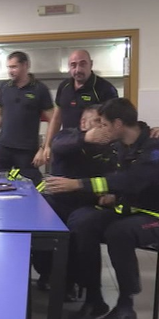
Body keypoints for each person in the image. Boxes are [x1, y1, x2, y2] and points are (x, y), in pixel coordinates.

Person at [46, 99, 159, 319]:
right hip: (128, 211)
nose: (100, 129)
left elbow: (133, 181)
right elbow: (115, 179)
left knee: (119, 233)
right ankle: (93, 298)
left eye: (104, 124)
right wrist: (109, 195)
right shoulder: (120, 146)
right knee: (82, 220)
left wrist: (78, 184)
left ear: (118, 124)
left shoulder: (158, 148)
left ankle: (126, 306)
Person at [35, 103, 115, 300]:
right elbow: (58, 145)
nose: (102, 128)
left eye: (104, 124)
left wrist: (112, 194)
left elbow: (115, 178)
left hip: (87, 205)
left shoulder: (109, 148)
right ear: (83, 123)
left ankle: (79, 286)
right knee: (39, 221)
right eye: (97, 122)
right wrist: (85, 138)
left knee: (80, 227)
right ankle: (47, 274)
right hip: (56, 201)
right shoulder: (67, 136)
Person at [0, 51, 54, 189]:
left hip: (27, 150)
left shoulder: (40, 89)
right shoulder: (4, 87)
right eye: (9, 67)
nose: (11, 71)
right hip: (3, 146)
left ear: (26, 65)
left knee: (31, 187)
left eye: (14, 67)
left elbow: (54, 120)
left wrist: (45, 148)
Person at [41, 48, 121, 158]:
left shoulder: (105, 89)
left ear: (91, 64)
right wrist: (47, 146)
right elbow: (56, 118)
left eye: (82, 64)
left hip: (93, 153)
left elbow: (113, 124)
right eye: (73, 65)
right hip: (67, 147)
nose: (78, 69)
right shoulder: (64, 87)